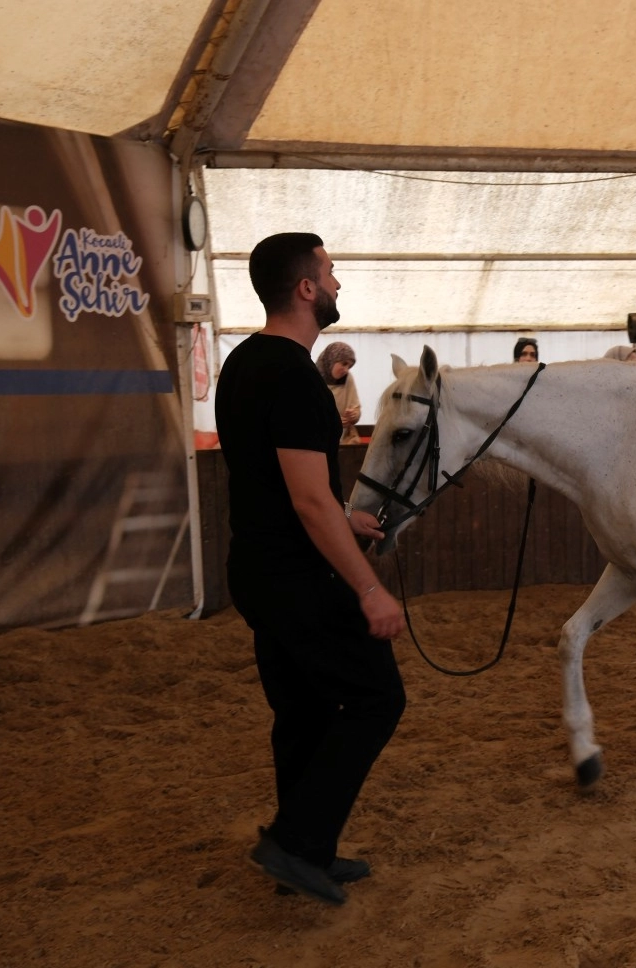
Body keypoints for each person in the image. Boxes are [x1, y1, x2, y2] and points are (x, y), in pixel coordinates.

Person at [214, 232, 407, 905]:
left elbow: (278, 484)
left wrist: (340, 512)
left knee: (302, 710)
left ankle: (305, 852)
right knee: (377, 698)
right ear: (305, 288)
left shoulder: (241, 363)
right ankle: (295, 843)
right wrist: (369, 586)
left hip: (257, 568)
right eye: (329, 272)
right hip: (298, 574)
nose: (337, 283)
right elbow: (304, 498)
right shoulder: (295, 376)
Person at [315, 341, 362, 444]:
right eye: (344, 364)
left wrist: (354, 415)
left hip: (342, 440)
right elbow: (307, 416)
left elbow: (356, 407)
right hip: (318, 440)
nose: (346, 370)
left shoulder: (347, 378)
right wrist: (333, 422)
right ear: (331, 360)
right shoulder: (313, 379)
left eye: (349, 366)